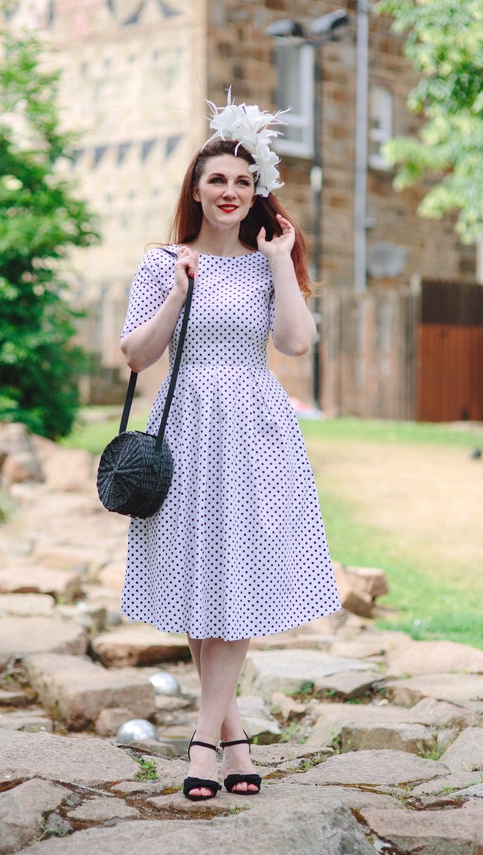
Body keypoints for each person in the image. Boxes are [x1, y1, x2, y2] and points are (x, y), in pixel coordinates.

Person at [119, 92, 341, 801]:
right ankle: (232, 735)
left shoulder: (266, 259)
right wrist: (176, 298)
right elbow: (133, 355)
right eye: (217, 179)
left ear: (257, 193)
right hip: (183, 424)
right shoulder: (163, 262)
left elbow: (297, 343)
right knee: (196, 574)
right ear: (195, 187)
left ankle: (204, 741)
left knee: (236, 575)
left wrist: (280, 261)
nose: (230, 192)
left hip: (252, 424)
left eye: (244, 182)